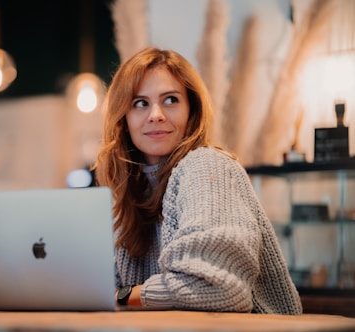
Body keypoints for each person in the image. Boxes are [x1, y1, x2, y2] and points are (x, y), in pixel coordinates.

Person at [92, 47, 303, 314]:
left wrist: (122, 296)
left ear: (192, 111)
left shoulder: (207, 167)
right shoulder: (130, 192)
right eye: (140, 103)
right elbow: (101, 287)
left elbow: (214, 287)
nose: (155, 114)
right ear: (123, 119)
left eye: (170, 100)